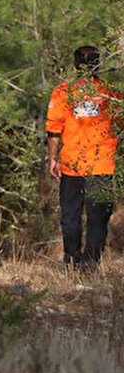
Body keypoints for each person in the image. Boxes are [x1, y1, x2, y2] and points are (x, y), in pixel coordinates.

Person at [46, 46, 121, 269]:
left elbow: (53, 130)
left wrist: (52, 158)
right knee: (98, 218)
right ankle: (90, 262)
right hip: (101, 165)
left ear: (76, 64)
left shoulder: (62, 92)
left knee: (71, 216)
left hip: (72, 164)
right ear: (98, 64)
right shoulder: (110, 93)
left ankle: (71, 258)